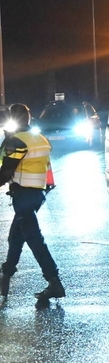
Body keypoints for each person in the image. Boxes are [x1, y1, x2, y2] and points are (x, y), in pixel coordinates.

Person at [0, 104, 64, 303]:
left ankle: (54, 282)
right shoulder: (39, 138)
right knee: (16, 237)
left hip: (23, 195)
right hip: (36, 194)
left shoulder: (17, 141)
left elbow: (7, 171)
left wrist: (8, 140)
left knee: (35, 241)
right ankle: (6, 276)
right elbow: (47, 168)